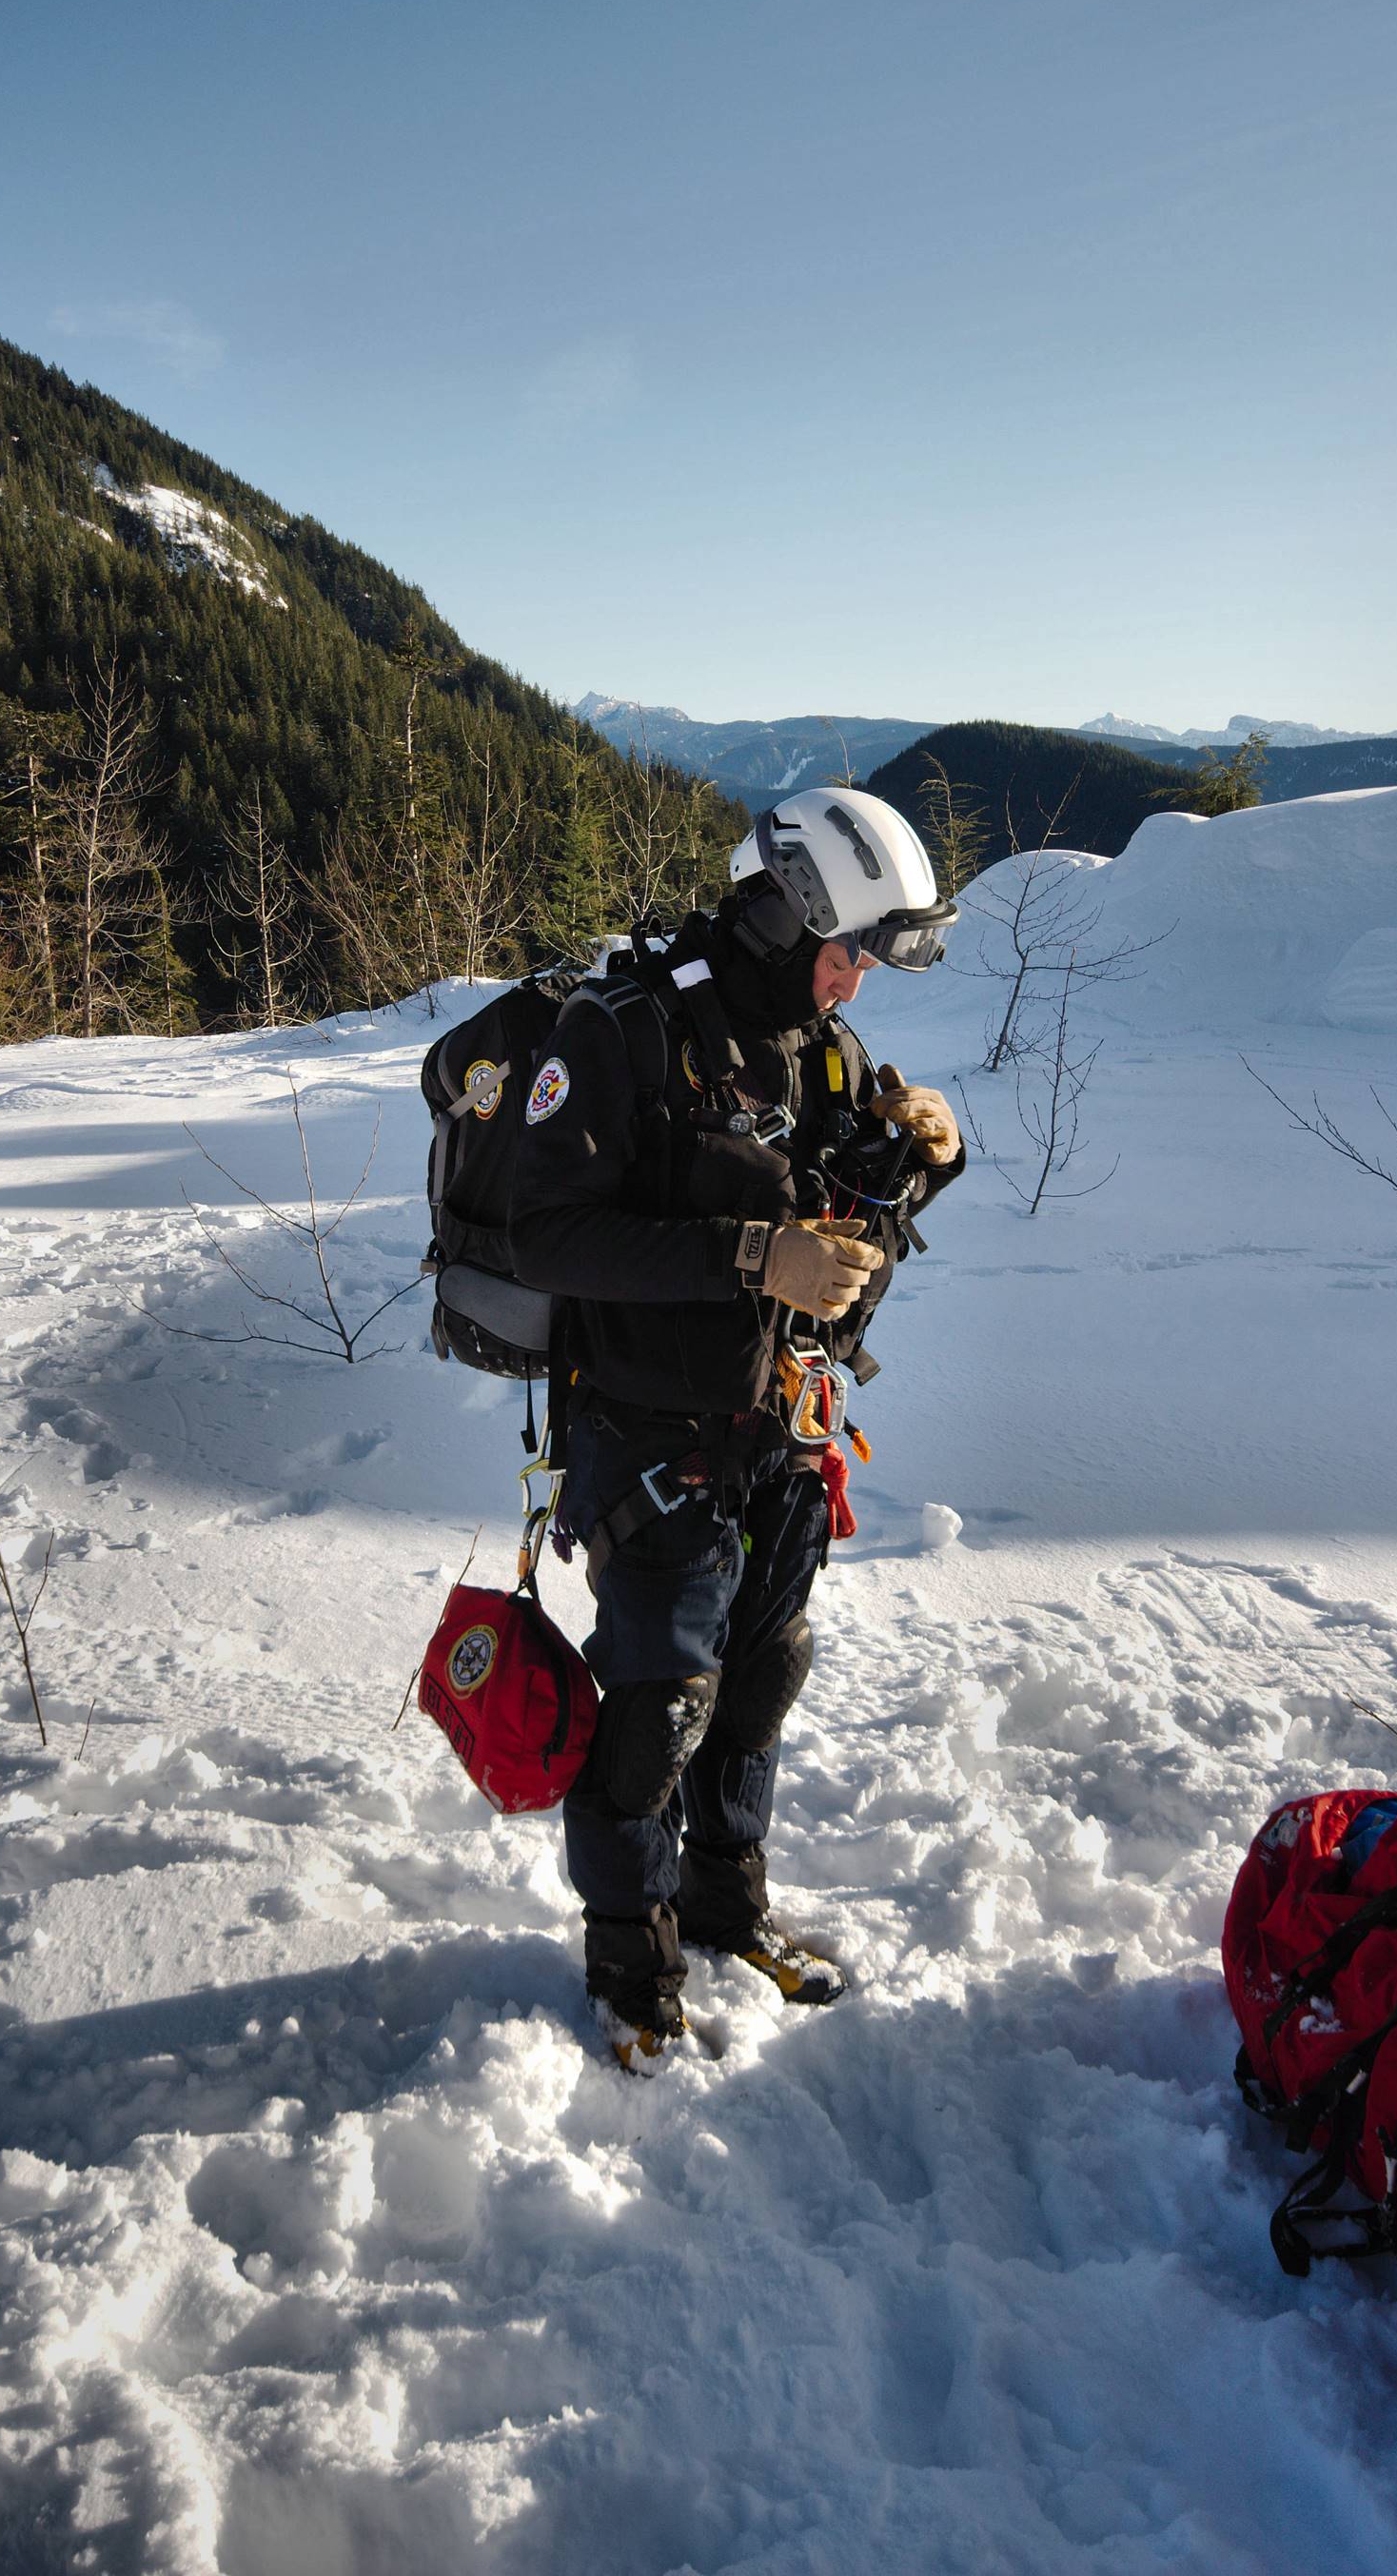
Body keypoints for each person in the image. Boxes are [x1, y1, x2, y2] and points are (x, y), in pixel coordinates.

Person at [509, 789, 965, 2068]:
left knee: (764, 1676)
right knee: (658, 1708)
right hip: (648, 1432)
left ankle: (724, 1905)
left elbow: (852, 1213)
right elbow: (550, 1232)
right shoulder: (622, 1029)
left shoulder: (817, 1042)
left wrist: (917, 1161)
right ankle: (631, 1964)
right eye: (847, 951)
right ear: (785, 912)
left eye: (870, 960)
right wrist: (755, 1255)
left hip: (786, 1425)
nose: (857, 986)